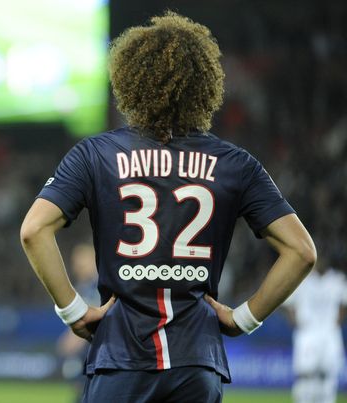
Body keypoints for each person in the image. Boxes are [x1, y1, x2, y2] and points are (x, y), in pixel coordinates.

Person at [20, 12, 317, 403]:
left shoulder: (95, 154)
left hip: (119, 360)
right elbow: (302, 251)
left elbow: (33, 230)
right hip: (198, 363)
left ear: (129, 80)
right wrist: (242, 318)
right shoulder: (236, 163)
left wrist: (73, 311)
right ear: (203, 85)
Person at [283, 259, 347, 403]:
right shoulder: (302, 280)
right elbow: (287, 302)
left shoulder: (337, 280)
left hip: (329, 333)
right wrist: (295, 321)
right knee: (305, 374)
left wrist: (337, 321)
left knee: (328, 374)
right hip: (307, 332)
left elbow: (344, 301)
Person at [57, 244, 100, 402]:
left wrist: (72, 340)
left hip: (96, 350)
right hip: (89, 352)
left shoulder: (98, 285)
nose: (77, 267)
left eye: (82, 263)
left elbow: (89, 318)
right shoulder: (84, 286)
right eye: (76, 263)